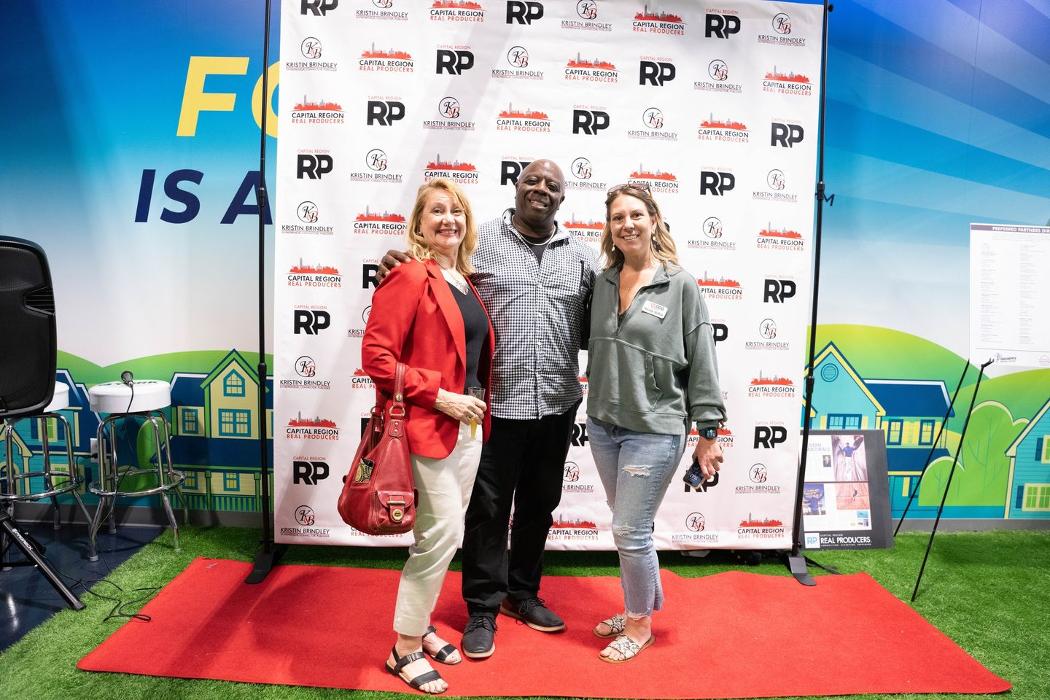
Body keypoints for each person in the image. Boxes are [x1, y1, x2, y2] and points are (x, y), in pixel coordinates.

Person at [379, 159, 597, 660]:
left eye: (552, 185)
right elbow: (431, 274)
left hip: (557, 403)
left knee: (539, 506)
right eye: (531, 180)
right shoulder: (480, 243)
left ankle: (524, 593)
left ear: (563, 198)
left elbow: (595, 326)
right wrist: (396, 261)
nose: (541, 189)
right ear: (515, 187)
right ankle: (482, 607)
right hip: (491, 406)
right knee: (488, 511)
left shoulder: (582, 257)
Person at [362, 178, 495, 694]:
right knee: (439, 536)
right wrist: (440, 397)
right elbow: (376, 359)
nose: (448, 219)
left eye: (457, 211)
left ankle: (421, 625)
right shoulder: (409, 275)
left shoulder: (461, 280)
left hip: (468, 426)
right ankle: (404, 647)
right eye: (437, 211)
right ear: (418, 224)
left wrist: (462, 407)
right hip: (428, 425)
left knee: (442, 536)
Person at [585, 183, 726, 662]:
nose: (627, 224)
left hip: (656, 428)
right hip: (603, 425)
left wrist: (708, 433)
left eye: (636, 215)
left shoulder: (680, 284)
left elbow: (702, 360)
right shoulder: (602, 283)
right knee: (631, 526)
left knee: (629, 530)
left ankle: (639, 625)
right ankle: (637, 606)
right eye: (617, 217)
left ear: (654, 220)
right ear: (609, 227)